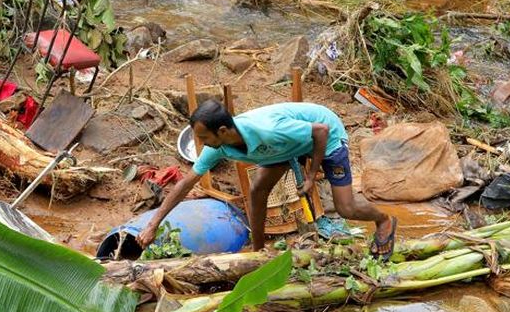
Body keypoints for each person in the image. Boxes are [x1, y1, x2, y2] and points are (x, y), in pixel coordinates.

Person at [137, 100, 397, 258]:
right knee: (258, 191)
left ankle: (384, 220)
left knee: (345, 207)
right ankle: (258, 250)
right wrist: (152, 225)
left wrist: (310, 175)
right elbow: (185, 184)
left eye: (204, 138)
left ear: (224, 131)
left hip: (325, 137)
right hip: (285, 148)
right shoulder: (219, 145)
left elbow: (321, 131)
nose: (202, 144)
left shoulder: (267, 131)